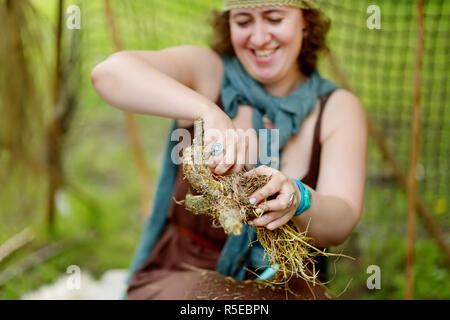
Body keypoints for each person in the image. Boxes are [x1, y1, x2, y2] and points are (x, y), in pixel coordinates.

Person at [90, 0, 367, 300]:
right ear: (228, 24)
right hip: (182, 276)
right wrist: (209, 111)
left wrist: (298, 199)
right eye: (244, 21)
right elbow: (109, 73)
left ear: (306, 21)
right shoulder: (208, 72)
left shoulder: (337, 109)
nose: (259, 38)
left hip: (282, 286)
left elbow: (341, 220)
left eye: (274, 19)